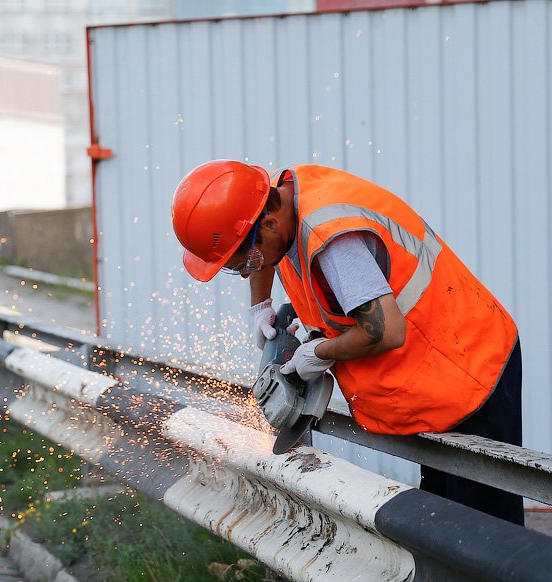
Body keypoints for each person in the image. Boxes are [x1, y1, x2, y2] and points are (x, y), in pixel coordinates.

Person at [171, 160, 523, 526]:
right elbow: (260, 252)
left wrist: (318, 353)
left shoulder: (334, 242)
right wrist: (260, 306)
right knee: (442, 515)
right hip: (433, 371)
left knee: (483, 529)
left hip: (469, 364)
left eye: (247, 260)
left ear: (270, 225)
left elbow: (386, 331)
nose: (248, 269)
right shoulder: (268, 197)